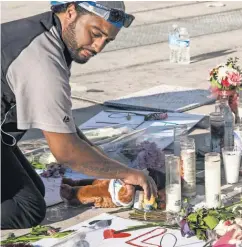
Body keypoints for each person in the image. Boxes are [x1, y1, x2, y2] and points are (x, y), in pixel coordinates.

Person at [1, 1, 158, 229]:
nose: (98, 47)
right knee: (27, 209)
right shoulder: (42, 61)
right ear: (71, 11)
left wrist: (110, 168)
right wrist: (126, 173)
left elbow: (67, 128)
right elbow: (67, 151)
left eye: (107, 40)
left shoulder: (47, 32)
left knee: (37, 190)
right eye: (95, 34)